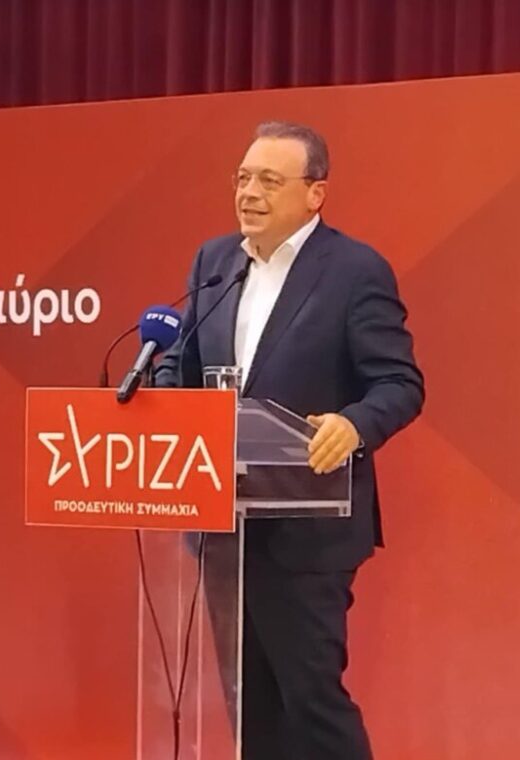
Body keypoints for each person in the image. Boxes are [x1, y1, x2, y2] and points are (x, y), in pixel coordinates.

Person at [155, 120, 424, 760]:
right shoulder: (214, 262)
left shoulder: (354, 271)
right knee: (251, 706)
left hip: (308, 526)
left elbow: (399, 383)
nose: (249, 193)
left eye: (270, 181)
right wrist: (159, 397)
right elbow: (180, 363)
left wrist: (354, 424)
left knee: (310, 700)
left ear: (314, 193)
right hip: (223, 524)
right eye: (243, 178)